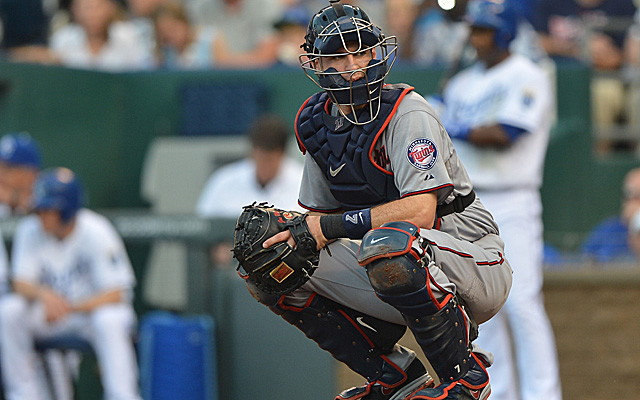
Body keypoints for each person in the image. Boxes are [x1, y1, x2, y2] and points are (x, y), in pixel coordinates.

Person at [245, 1, 513, 399]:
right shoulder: (317, 124)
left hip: (472, 258)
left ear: (376, 53)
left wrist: (327, 228)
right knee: (270, 259)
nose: (353, 63)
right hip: (397, 262)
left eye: (361, 50)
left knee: (388, 243)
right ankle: (393, 373)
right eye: (338, 55)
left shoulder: (407, 112)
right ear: (317, 64)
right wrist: (294, 235)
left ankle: (465, 377)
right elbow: (318, 223)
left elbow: (421, 210)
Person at [438, 1, 562, 400]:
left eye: (485, 31)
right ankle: (502, 392)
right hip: (469, 205)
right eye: (474, 30)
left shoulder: (529, 75)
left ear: (506, 33)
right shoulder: (460, 84)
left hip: (514, 197)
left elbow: (506, 133)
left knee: (522, 301)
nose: (477, 38)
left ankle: (544, 394)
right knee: (483, 305)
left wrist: (450, 125)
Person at [0, 167, 142, 400]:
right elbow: (19, 283)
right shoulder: (30, 230)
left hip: (89, 315)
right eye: (40, 208)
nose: (41, 214)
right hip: (52, 314)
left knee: (110, 319)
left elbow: (117, 293)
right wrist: (44, 295)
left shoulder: (97, 230)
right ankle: (23, 395)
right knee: (9, 311)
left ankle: (122, 396)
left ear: (66, 210)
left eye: (48, 209)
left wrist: (71, 306)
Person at [196, 114, 303, 266]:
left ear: (282, 154)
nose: (264, 165)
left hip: (286, 267)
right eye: (260, 157)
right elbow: (201, 228)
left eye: (270, 159)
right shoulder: (224, 180)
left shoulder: (302, 181)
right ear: (252, 152)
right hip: (233, 270)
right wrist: (217, 246)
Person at [49, 0, 151, 71]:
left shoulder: (129, 35)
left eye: (98, 6)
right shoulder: (62, 39)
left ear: (110, 8)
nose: (92, 14)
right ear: (75, 10)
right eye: (87, 8)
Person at [581, 167, 640, 262]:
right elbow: (582, 262)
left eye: (637, 196)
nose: (632, 202)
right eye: (628, 195)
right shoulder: (608, 229)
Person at [0, 132, 42, 215]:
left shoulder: (49, 196)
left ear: (30, 173)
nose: (1, 173)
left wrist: (15, 200)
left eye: (8, 168)